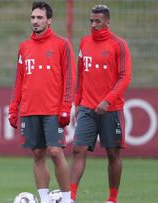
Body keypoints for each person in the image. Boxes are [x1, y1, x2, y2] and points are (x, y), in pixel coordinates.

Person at [8, 1, 75, 203]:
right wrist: (14, 108)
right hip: (30, 109)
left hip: (53, 110)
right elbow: (20, 79)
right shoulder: (25, 47)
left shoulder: (62, 44)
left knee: (55, 152)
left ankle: (67, 199)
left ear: (49, 20)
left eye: (39, 18)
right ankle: (44, 199)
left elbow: (69, 78)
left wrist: (66, 107)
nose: (35, 21)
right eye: (33, 17)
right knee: (38, 154)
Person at [69, 5, 131, 203]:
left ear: (107, 22)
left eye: (98, 21)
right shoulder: (84, 42)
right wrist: (77, 103)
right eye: (91, 21)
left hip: (110, 109)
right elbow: (81, 75)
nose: (93, 25)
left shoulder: (119, 45)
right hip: (87, 107)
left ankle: (112, 199)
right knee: (78, 149)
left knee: (113, 153)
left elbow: (125, 77)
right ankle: (70, 196)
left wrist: (108, 100)